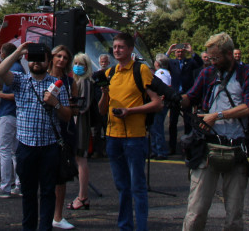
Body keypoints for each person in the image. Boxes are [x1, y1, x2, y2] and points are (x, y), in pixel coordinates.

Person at [180, 32, 249, 231]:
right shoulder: (207, 73)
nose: (212, 62)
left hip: (237, 147)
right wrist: (168, 96)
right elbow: (190, 97)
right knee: (196, 211)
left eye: (216, 58)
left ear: (229, 54)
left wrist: (217, 115)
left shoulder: (248, 73)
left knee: (234, 216)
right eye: (210, 58)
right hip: (207, 147)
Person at [0, 42, 72, 231]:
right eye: (34, 58)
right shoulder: (21, 80)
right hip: (26, 147)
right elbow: (0, 71)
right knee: (28, 193)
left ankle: (45, 227)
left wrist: (56, 104)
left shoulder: (55, 84)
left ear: (48, 62)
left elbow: (67, 115)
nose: (37, 62)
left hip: (49, 147)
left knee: (47, 192)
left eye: (42, 59)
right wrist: (19, 52)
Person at [99, 32, 163, 231]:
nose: (117, 50)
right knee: (122, 186)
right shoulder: (111, 73)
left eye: (121, 47)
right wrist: (103, 95)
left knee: (137, 186)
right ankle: (125, 225)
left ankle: (141, 226)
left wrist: (131, 111)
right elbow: (102, 109)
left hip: (134, 137)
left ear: (129, 49)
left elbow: (157, 103)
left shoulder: (141, 70)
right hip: (112, 136)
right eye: (115, 47)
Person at [0, 42, 21, 198]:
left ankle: (5, 186)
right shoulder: (18, 68)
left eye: (1, 52)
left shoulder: (13, 70)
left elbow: (18, 95)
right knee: (14, 151)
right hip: (13, 113)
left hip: (9, 113)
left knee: (5, 150)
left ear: (5, 55)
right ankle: (19, 184)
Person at [49, 45, 78, 230]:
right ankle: (45, 213)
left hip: (65, 130)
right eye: (58, 56)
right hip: (44, 130)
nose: (61, 60)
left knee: (61, 176)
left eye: (65, 57)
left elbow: (75, 108)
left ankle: (58, 216)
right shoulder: (42, 78)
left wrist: (62, 105)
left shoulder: (70, 82)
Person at [67, 52, 93, 213]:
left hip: (81, 124)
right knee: (78, 159)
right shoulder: (77, 81)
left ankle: (83, 196)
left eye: (81, 63)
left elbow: (84, 105)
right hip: (75, 122)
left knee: (81, 159)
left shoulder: (86, 82)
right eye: (75, 63)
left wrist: (70, 108)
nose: (77, 66)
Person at [170, 44, 204, 156]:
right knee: (173, 122)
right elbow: (161, 63)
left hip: (186, 94)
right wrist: (169, 51)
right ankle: (172, 147)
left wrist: (192, 52)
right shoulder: (172, 63)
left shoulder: (190, 62)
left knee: (187, 122)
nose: (180, 54)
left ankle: (187, 146)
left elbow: (200, 63)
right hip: (175, 94)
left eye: (181, 52)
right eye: (178, 52)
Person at [149, 54, 172, 159]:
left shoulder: (161, 73)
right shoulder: (163, 72)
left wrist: (159, 101)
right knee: (154, 128)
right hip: (159, 103)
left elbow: (164, 88)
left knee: (157, 128)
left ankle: (161, 151)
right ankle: (155, 150)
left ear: (157, 63)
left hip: (160, 104)